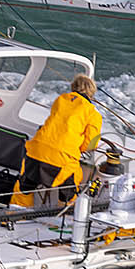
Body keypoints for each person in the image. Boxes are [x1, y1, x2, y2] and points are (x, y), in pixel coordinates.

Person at [15, 74, 103, 208]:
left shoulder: (60, 99)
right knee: (72, 184)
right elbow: (91, 144)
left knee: (23, 188)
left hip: (35, 150)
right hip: (62, 158)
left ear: (73, 86)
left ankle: (13, 215)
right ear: (92, 92)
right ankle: (63, 217)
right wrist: (79, 148)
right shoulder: (93, 113)